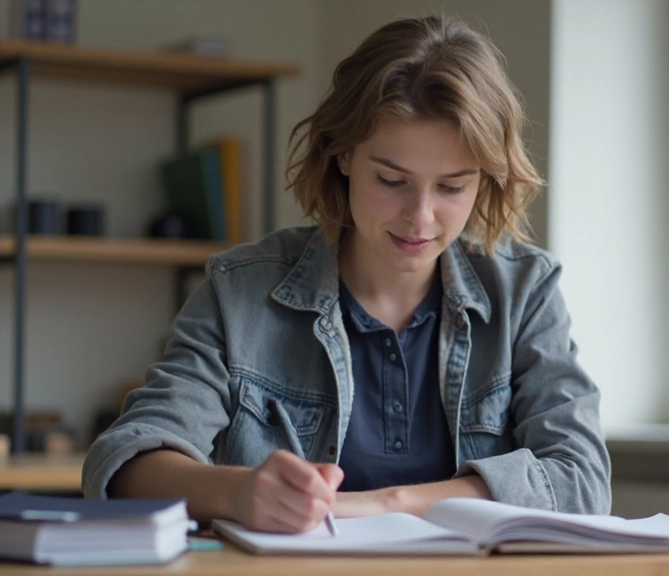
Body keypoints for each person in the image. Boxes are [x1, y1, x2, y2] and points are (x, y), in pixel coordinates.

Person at [82, 15, 611, 534]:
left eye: (452, 187)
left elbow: (582, 480)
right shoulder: (240, 290)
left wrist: (392, 504)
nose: (420, 217)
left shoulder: (525, 291)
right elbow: (125, 460)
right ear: (341, 155)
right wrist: (240, 493)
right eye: (391, 179)